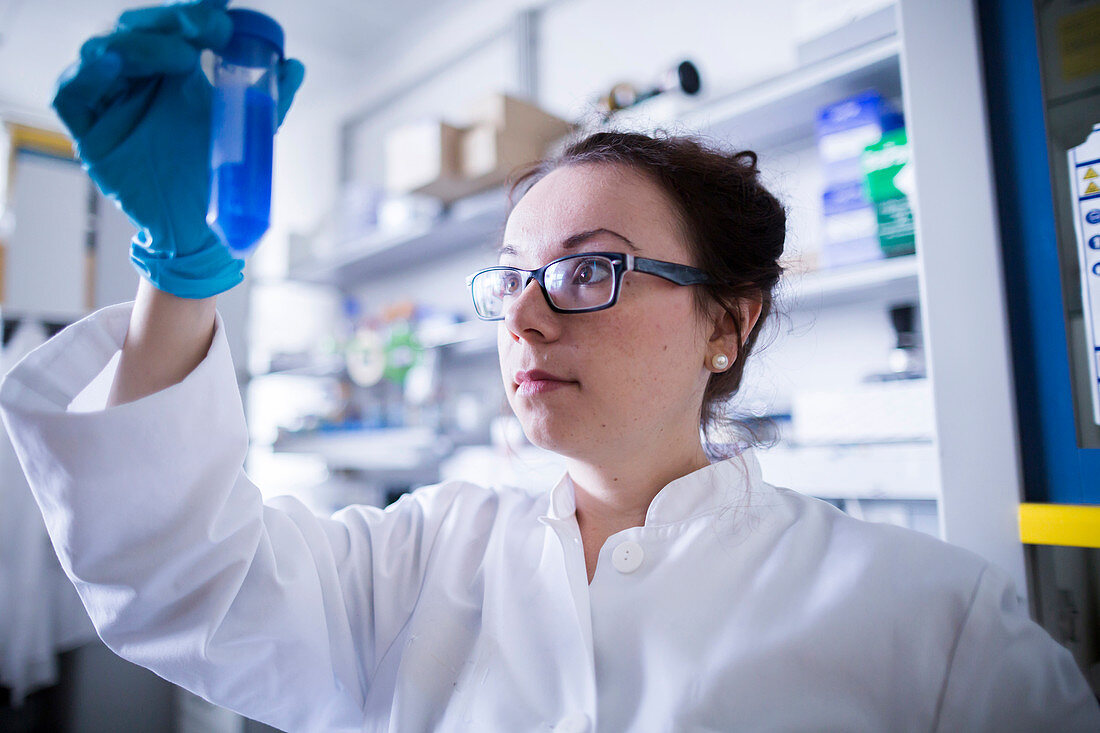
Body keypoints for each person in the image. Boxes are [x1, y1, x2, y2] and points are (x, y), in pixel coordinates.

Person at [1, 2, 1097, 731]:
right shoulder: (422, 559)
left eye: (588, 270)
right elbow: (178, 579)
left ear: (728, 320)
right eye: (510, 276)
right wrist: (183, 265)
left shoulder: (933, 620)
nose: (521, 319)